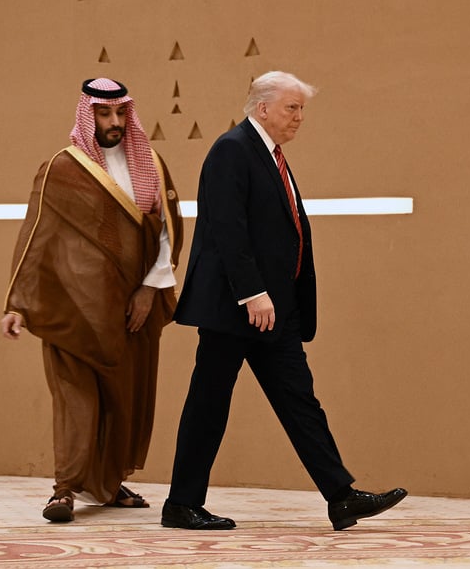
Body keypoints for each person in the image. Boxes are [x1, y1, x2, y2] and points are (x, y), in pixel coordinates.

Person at [161, 71, 406, 531]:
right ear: (262, 108)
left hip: (275, 311)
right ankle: (181, 504)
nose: (299, 117)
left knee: (300, 401)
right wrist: (253, 293)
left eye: (301, 109)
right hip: (237, 308)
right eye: (292, 108)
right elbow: (227, 230)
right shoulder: (231, 149)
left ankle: (341, 496)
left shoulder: (270, 155)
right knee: (209, 404)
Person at [0, 78, 183, 523]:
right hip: (74, 305)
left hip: (130, 308)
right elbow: (36, 235)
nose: (114, 122)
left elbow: (167, 233)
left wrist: (149, 290)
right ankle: (64, 490)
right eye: (104, 113)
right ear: (89, 115)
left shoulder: (153, 165)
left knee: (124, 399)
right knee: (75, 397)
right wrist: (17, 303)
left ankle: (108, 481)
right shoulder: (61, 168)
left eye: (120, 113)